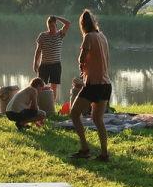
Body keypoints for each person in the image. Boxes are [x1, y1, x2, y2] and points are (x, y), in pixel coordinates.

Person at [69, 9, 111, 161]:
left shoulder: (88, 37)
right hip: (106, 84)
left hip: (94, 84)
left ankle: (85, 148)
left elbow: (81, 58)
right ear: (93, 22)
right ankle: (104, 153)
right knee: (97, 119)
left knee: (74, 114)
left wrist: (82, 65)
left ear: (82, 24)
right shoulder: (102, 36)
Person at [33, 15, 70, 103]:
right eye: (49, 26)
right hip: (44, 65)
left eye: (53, 26)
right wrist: (35, 63)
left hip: (56, 65)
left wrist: (57, 17)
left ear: (56, 25)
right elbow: (38, 51)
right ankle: (39, 103)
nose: (51, 28)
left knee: (54, 87)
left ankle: (51, 104)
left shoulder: (60, 34)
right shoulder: (42, 35)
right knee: (39, 85)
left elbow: (68, 23)